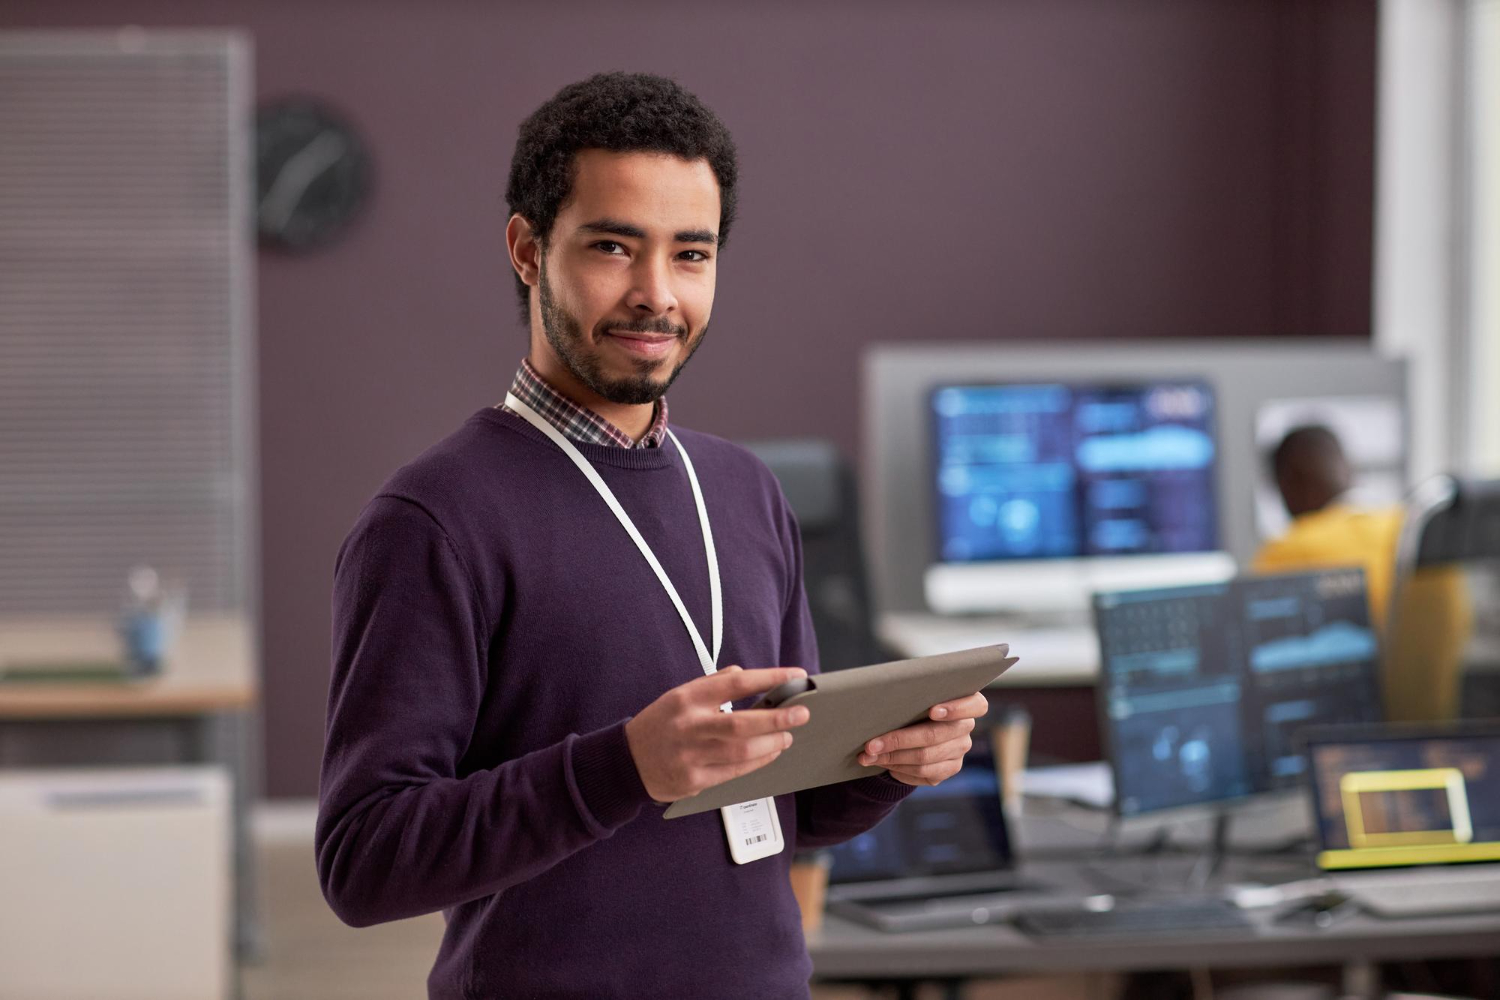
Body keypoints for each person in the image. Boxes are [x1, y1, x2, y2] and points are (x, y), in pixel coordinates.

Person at [315, 72, 988, 999]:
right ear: (526, 248)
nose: (655, 294)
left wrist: (889, 763)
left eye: (691, 254)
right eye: (612, 247)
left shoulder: (747, 490)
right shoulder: (433, 521)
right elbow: (364, 862)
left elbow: (781, 800)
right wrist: (625, 765)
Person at [1254, 425, 1472, 721]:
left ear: (1288, 483)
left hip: (1344, 740)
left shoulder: (1288, 549)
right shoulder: (1420, 533)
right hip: (1443, 735)